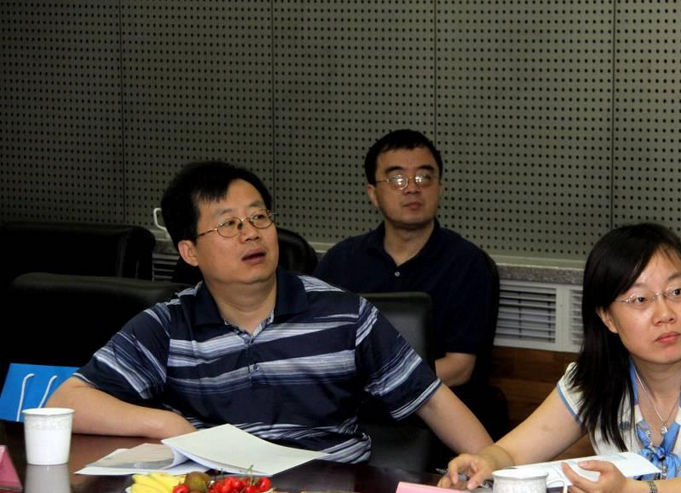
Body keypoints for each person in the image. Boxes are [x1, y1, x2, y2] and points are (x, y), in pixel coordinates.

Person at [46, 160, 492, 464]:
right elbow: (67, 402)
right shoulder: (169, 324)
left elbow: (433, 402)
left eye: (259, 217)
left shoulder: (343, 314)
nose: (251, 234)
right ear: (189, 251)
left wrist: (499, 473)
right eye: (228, 224)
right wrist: (166, 423)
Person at [440, 223, 681, 493]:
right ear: (607, 317)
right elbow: (513, 453)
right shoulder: (593, 377)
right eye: (640, 300)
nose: (665, 314)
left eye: (676, 292)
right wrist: (483, 462)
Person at [314, 130, 505, 438]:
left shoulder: (468, 263)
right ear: (373, 194)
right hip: (351, 416)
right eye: (397, 179)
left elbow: (460, 367)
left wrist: (377, 385)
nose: (413, 188)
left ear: (440, 187)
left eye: (424, 177)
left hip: (438, 419)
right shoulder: (340, 261)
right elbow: (318, 349)